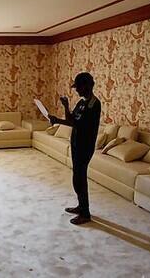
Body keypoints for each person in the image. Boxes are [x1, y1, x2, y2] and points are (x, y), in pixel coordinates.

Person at [48, 72, 101, 225]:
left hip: (85, 146)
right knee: (76, 176)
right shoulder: (82, 102)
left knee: (80, 178)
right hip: (76, 143)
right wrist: (66, 107)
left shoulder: (94, 104)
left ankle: (85, 213)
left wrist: (57, 120)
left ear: (88, 86)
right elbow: (71, 119)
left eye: (78, 87)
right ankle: (81, 206)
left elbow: (78, 124)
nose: (76, 90)